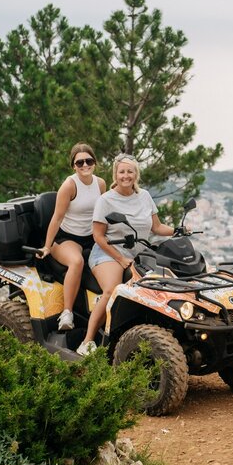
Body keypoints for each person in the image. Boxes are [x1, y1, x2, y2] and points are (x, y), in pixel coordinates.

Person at [77, 153, 177, 356]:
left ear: (136, 174)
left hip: (139, 254)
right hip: (108, 253)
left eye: (130, 171)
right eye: (122, 171)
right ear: (116, 174)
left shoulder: (145, 196)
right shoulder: (106, 200)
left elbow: (157, 227)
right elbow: (98, 236)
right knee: (113, 290)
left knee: (167, 281)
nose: (126, 175)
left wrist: (178, 230)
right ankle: (87, 341)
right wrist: (120, 258)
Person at [36, 143, 106, 331]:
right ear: (73, 166)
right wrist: (47, 247)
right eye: (79, 162)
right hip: (66, 238)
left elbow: (103, 214)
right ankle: (67, 313)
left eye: (88, 160)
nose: (85, 165)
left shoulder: (100, 184)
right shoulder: (69, 186)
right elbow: (57, 218)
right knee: (77, 262)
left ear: (95, 162)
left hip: (91, 237)